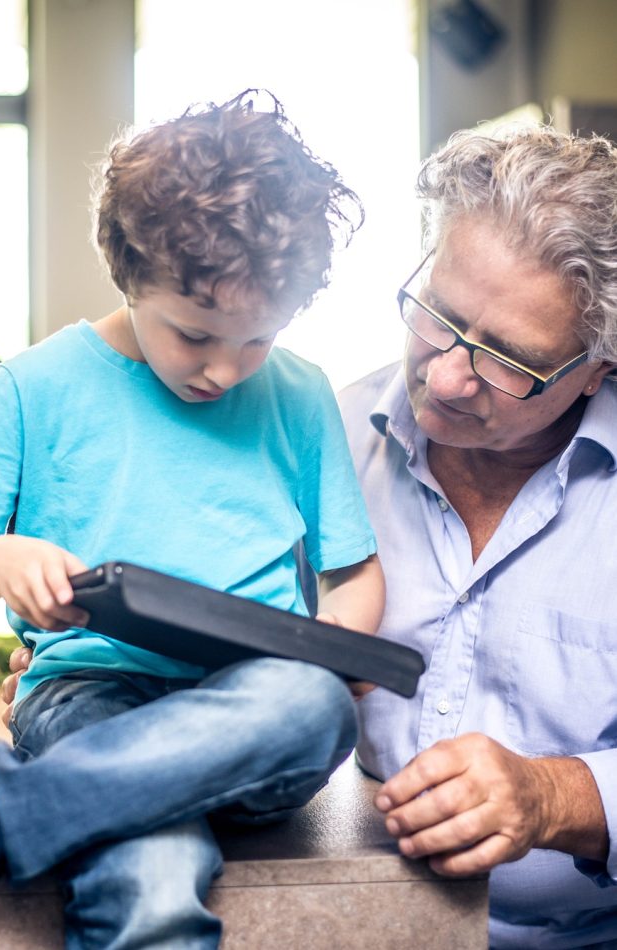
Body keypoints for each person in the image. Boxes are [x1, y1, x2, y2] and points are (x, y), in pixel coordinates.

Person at [0, 91, 385, 948]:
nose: (225, 370)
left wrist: (340, 645)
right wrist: (8, 559)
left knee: (313, 704)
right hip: (89, 694)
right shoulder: (33, 386)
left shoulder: (303, 395)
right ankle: (9, 814)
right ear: (128, 270)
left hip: (249, 707)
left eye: (256, 339)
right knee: (150, 874)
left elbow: (351, 574)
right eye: (196, 334)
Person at [338, 124, 617, 947]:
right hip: (332, 918)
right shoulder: (326, 437)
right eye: (439, 316)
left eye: (511, 360)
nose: (446, 376)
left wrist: (554, 796)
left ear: (599, 365)